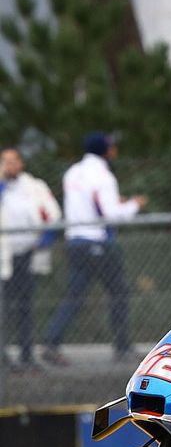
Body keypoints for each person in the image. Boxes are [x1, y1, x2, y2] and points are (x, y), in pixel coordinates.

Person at [43, 132, 147, 365]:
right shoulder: (103, 176)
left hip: (75, 241)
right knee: (119, 292)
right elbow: (109, 214)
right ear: (105, 150)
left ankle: (51, 342)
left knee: (74, 296)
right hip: (98, 241)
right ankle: (122, 347)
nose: (114, 151)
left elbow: (89, 204)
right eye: (112, 147)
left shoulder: (73, 172)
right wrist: (133, 205)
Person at [0, 148, 61, 369]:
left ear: (21, 163)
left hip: (28, 254)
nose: (10, 165)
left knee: (25, 306)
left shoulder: (34, 187)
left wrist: (44, 241)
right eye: (5, 161)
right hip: (4, 257)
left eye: (13, 160)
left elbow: (53, 215)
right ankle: (3, 356)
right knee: (3, 308)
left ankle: (27, 354)